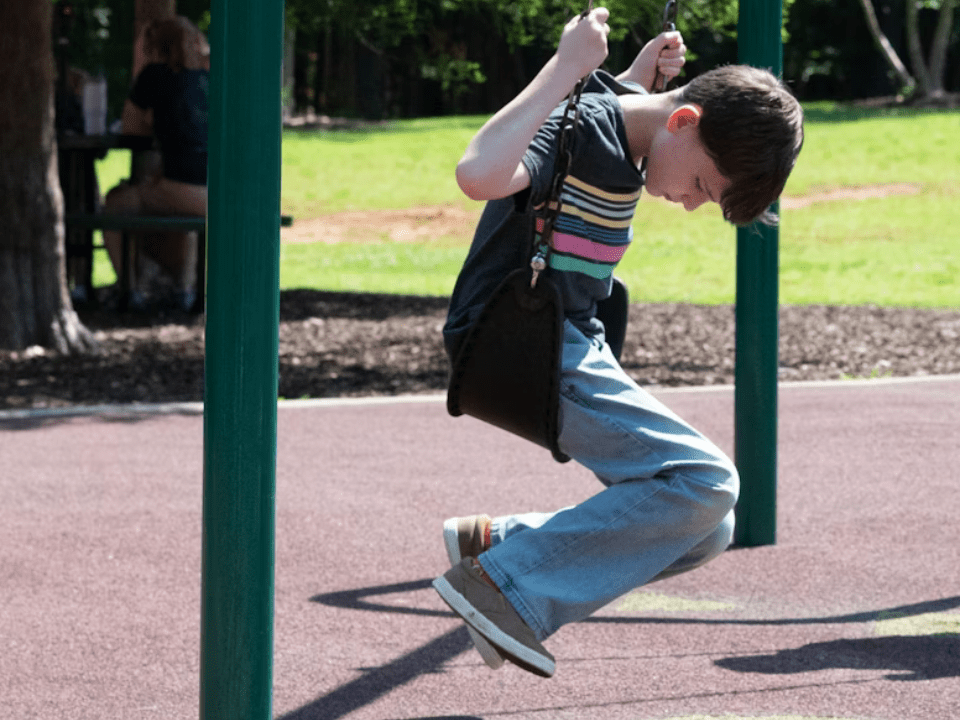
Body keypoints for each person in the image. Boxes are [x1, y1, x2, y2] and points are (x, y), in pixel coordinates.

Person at [432, 7, 804, 678]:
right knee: (707, 481)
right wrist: (563, 67)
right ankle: (503, 587)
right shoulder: (576, 123)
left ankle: (501, 545)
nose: (690, 203)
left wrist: (637, 71)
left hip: (573, 342)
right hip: (520, 344)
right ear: (685, 121)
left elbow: (630, 105)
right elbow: (479, 173)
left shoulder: (632, 120)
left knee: (705, 524)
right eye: (700, 186)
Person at [102, 15, 210, 311]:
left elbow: (131, 129)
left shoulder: (154, 76)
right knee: (165, 200)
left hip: (183, 189)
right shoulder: (210, 78)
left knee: (114, 205)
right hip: (220, 192)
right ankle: (181, 286)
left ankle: (131, 289)